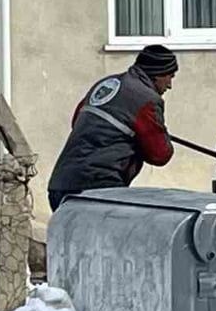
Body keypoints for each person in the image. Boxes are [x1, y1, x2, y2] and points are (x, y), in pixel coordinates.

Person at [46, 45, 178, 211]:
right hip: (98, 190)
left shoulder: (106, 84)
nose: (170, 85)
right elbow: (160, 154)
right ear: (158, 73)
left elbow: (77, 122)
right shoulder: (146, 99)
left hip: (60, 185)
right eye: (170, 77)